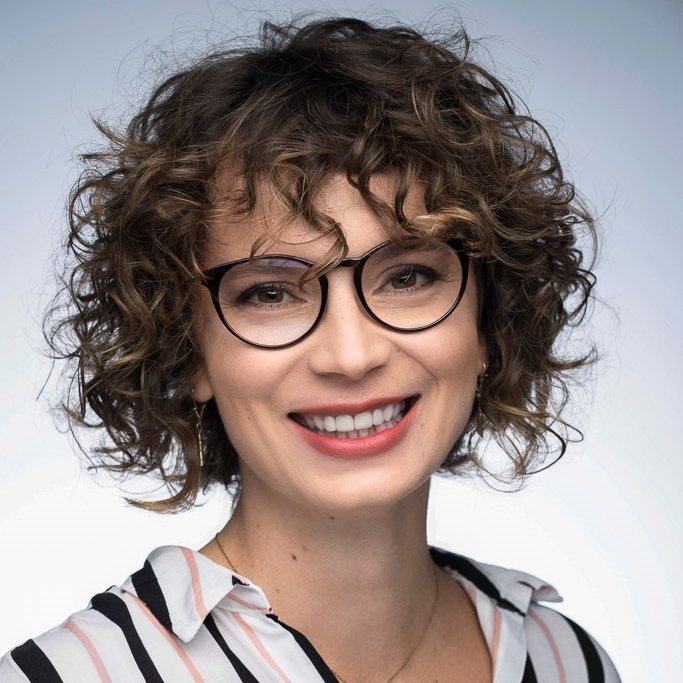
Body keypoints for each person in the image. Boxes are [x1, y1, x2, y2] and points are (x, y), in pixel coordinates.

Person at [0, 15, 620, 683]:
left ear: (488, 322)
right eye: (269, 293)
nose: (351, 356)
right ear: (187, 351)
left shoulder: (568, 663)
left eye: (408, 277)